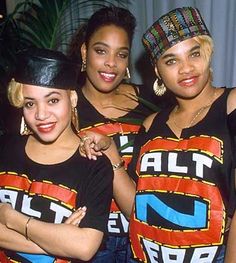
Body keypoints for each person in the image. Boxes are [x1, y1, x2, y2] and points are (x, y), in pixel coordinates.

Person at [79, 6, 236, 263]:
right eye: (171, 60)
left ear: (208, 52)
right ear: (158, 71)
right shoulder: (151, 124)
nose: (186, 68)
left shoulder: (231, 104)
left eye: (194, 53)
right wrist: (111, 153)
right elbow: (137, 209)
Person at [0, 47, 113, 263]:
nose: (41, 115)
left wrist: (10, 218)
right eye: (30, 103)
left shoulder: (93, 165)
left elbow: (84, 247)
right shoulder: (4, 147)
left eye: (52, 100)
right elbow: (72, 245)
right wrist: (56, 240)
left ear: (72, 99)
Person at [68, 6, 157, 263]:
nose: (111, 63)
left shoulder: (151, 102)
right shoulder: (64, 105)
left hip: (143, 238)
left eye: (121, 54)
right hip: (91, 241)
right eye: (101, 51)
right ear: (85, 51)